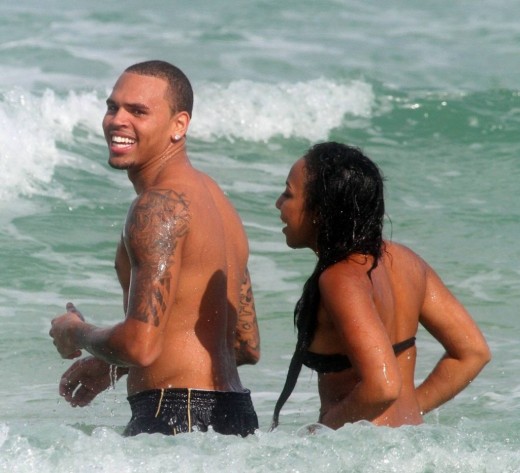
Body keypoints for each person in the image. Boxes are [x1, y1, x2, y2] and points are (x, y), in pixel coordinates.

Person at [49, 60, 260, 437]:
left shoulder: (158, 206)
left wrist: (76, 332)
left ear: (179, 125)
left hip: (174, 414)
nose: (117, 120)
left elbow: (140, 346)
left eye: (138, 111)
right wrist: (112, 364)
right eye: (112, 107)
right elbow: (245, 345)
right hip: (237, 412)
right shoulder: (218, 203)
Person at [270, 141, 491, 430]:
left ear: (320, 210)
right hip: (407, 442)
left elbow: (382, 387)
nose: (278, 203)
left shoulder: (341, 278)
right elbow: (473, 352)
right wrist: (409, 411)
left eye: (288, 194)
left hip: (363, 449)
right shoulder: (405, 261)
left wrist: (321, 431)